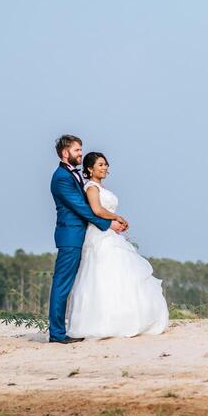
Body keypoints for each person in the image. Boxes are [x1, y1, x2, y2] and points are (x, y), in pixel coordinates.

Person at [66, 151, 169, 338]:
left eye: (106, 164)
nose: (105, 168)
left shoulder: (101, 187)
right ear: (90, 168)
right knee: (100, 275)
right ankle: (100, 322)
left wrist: (116, 223)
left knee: (119, 274)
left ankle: (124, 318)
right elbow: (97, 210)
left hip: (110, 232)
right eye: (100, 165)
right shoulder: (91, 188)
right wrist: (117, 217)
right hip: (99, 234)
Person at [48, 135, 127, 344]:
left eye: (81, 151)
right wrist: (108, 223)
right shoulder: (61, 177)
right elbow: (81, 207)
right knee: (62, 284)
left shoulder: (74, 175)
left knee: (78, 283)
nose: (80, 154)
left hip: (82, 236)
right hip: (70, 236)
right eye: (76, 151)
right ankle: (56, 334)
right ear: (65, 153)